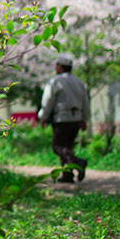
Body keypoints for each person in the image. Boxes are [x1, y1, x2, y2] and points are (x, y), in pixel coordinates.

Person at [38, 53, 90, 183]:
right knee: (68, 147)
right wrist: (85, 119)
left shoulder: (54, 81)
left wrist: (43, 117)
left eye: (57, 65)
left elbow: (48, 101)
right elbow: (85, 102)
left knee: (58, 147)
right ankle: (67, 175)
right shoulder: (79, 82)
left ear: (60, 67)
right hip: (76, 119)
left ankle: (78, 163)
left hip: (62, 119)